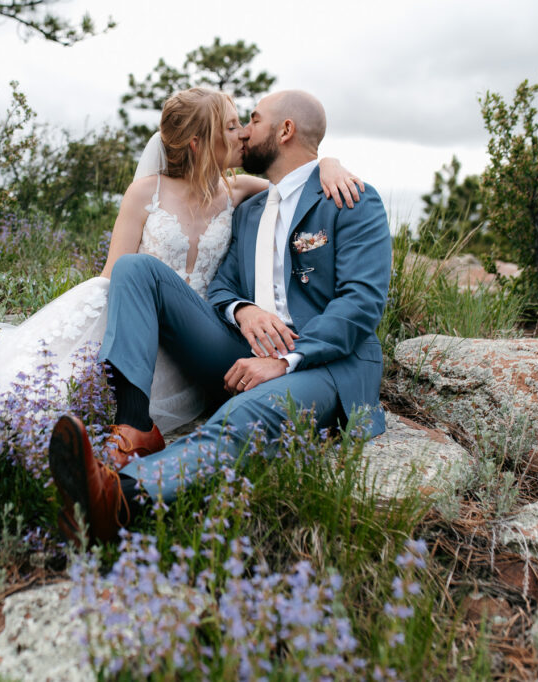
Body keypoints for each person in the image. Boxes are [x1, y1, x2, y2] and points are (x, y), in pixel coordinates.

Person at [0, 87, 364, 440]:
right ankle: (124, 425)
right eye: (231, 127)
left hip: (200, 331)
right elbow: (112, 275)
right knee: (56, 383)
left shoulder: (240, 191)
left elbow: (294, 188)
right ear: (199, 142)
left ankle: (131, 430)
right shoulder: (147, 191)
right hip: (137, 313)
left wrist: (330, 163)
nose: (242, 134)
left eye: (246, 124)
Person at [47, 90, 392, 544]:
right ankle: (134, 430)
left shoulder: (349, 200)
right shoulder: (247, 209)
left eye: (252, 120)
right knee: (135, 268)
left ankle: (115, 500)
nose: (243, 131)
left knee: (241, 418)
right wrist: (242, 309)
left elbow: (361, 303)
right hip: (237, 351)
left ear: (285, 130)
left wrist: (286, 360)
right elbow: (222, 287)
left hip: (325, 365)